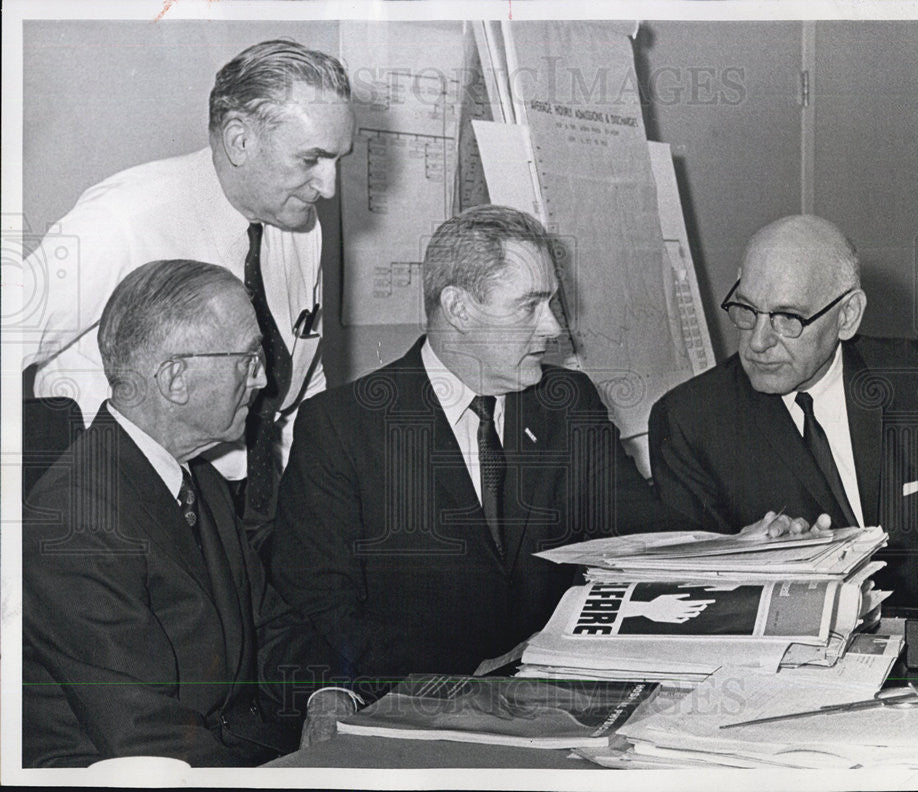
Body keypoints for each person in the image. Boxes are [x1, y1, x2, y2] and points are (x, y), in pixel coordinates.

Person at [269, 205, 674, 682]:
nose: (553, 328)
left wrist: (730, 548)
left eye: (551, 305)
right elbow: (318, 609)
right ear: (459, 308)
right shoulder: (343, 428)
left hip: (555, 693)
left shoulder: (568, 404)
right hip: (416, 705)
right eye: (530, 306)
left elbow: (642, 538)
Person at [22, 260, 357, 767]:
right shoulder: (75, 520)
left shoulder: (198, 478)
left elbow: (270, 627)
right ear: (176, 378)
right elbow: (145, 733)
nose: (263, 379)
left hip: (238, 751)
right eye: (248, 359)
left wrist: (325, 695)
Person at [21, 39, 355, 542]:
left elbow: (306, 380)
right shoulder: (124, 219)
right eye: (311, 159)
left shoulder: (301, 227)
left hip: (250, 505)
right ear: (240, 140)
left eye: (337, 160)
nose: (328, 186)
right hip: (120, 514)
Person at [648, 215, 918, 609]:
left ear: (847, 315)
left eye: (788, 318)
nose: (757, 341)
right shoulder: (687, 422)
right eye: (747, 310)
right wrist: (750, 565)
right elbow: (689, 603)